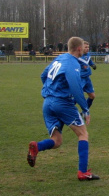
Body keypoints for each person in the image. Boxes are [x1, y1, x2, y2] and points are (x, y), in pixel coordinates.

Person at [26, 37, 100, 181]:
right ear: (79, 49)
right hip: (62, 103)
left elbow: (43, 75)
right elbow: (76, 87)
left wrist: (51, 90)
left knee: (56, 140)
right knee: (83, 134)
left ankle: (37, 147)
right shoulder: (73, 63)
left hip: (48, 102)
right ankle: (82, 172)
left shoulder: (59, 58)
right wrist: (85, 108)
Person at [79, 41, 97, 109]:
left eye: (88, 47)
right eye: (85, 47)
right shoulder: (78, 56)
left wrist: (92, 65)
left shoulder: (88, 54)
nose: (87, 48)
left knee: (92, 96)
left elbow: (89, 61)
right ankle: (66, 110)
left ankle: (85, 112)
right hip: (80, 78)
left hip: (87, 78)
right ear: (81, 48)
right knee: (77, 96)